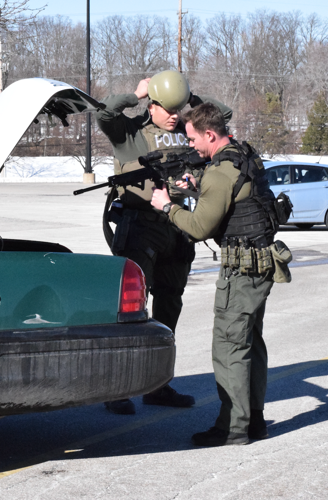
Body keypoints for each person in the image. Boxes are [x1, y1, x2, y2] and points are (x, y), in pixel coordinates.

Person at [96, 70, 233, 415]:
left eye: (178, 108)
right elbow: (105, 113)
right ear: (152, 103)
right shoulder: (131, 133)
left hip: (176, 225)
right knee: (129, 310)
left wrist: (189, 98)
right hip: (141, 226)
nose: (173, 115)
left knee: (169, 306)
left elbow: (224, 115)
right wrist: (136, 94)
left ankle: (158, 384)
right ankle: (118, 387)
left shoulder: (188, 132)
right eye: (166, 107)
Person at [150, 102, 279, 445]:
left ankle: (232, 428)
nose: (191, 145)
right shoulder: (241, 154)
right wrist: (196, 189)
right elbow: (230, 202)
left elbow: (198, 227)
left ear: (210, 134)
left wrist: (166, 205)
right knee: (250, 343)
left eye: (193, 139)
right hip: (259, 265)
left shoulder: (220, 172)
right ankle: (254, 421)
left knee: (229, 348)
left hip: (241, 272)